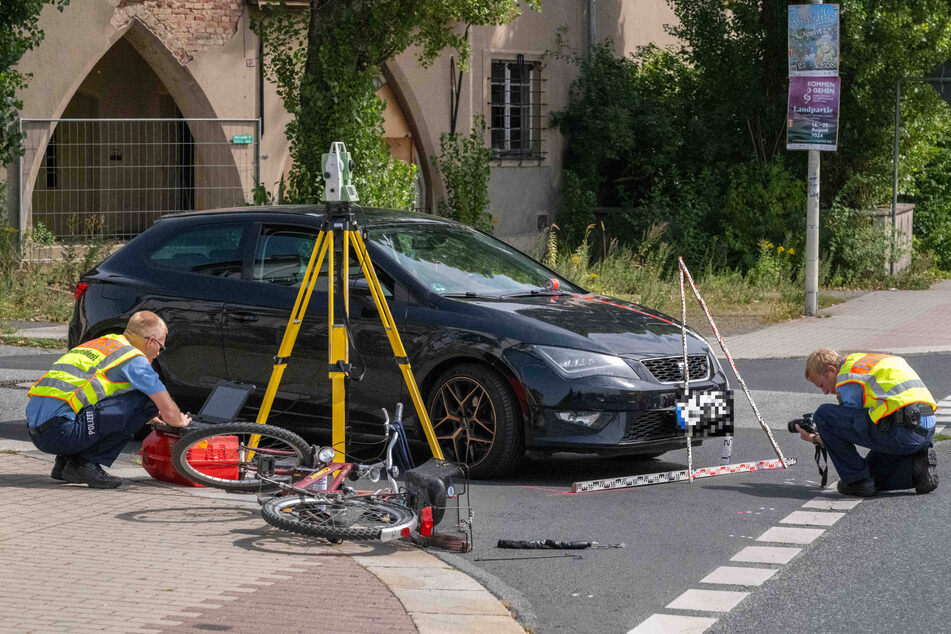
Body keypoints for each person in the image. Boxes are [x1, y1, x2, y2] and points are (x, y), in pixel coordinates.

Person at [26, 310, 191, 488]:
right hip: (61, 433)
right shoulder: (133, 358)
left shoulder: (104, 343)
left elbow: (94, 389)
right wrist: (180, 421)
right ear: (151, 341)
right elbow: (166, 407)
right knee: (147, 402)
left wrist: (133, 415)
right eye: (161, 346)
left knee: (132, 405)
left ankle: (65, 463)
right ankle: (85, 464)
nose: (159, 353)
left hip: (38, 431)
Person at [800, 348, 938, 497]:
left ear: (832, 370)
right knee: (870, 473)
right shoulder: (871, 362)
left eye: (821, 385)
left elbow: (845, 428)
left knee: (824, 415)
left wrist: (814, 437)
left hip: (902, 431)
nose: (825, 392)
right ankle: (918, 470)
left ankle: (857, 481)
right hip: (926, 431)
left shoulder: (848, 376)